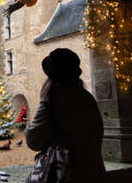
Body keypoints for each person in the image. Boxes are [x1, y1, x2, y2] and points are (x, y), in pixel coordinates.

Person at [25, 48, 106, 182]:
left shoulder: (52, 101)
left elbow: (33, 141)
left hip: (66, 174)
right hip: (93, 173)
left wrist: (28, 127)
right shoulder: (88, 98)